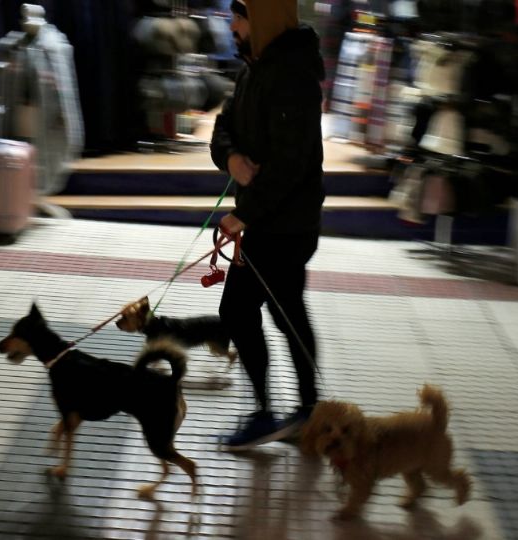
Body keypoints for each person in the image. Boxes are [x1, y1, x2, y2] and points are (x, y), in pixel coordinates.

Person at [210, 0, 326, 451]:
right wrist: (230, 156)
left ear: (263, 19)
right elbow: (224, 127)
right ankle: (305, 413)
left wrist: (245, 213)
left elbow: (290, 164)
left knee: (243, 310)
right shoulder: (252, 70)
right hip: (267, 222)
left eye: (239, 16)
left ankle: (272, 413)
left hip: (285, 225)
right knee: (285, 311)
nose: (232, 24)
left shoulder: (292, 76)